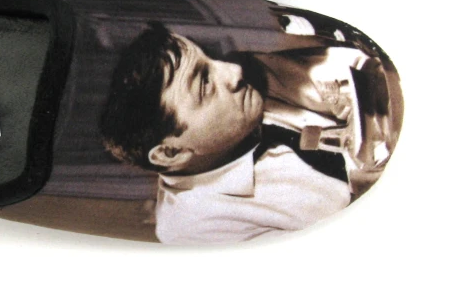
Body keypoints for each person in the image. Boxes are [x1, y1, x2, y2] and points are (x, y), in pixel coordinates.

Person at [99, 23, 393, 244]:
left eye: (210, 59)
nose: (232, 71)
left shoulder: (251, 79)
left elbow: (365, 69)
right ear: (171, 152)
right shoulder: (194, 228)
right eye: (204, 84)